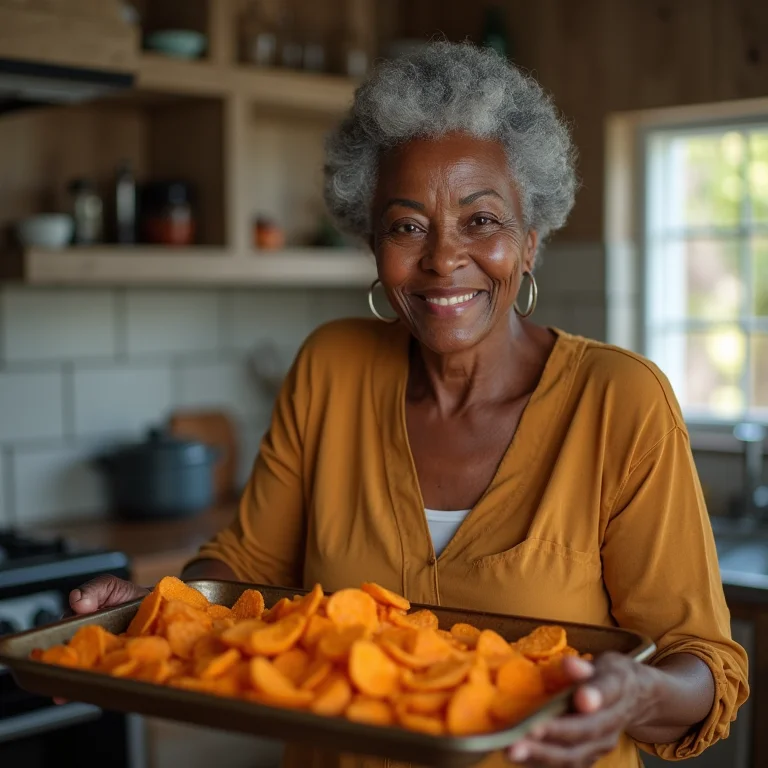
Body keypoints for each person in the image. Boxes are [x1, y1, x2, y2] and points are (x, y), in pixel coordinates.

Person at [69, 42, 748, 768]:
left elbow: (703, 663)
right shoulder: (332, 368)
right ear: (372, 245)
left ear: (531, 241)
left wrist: (637, 693)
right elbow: (245, 570)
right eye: (406, 226)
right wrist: (149, 610)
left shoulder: (620, 401)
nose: (442, 258)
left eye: (481, 220)